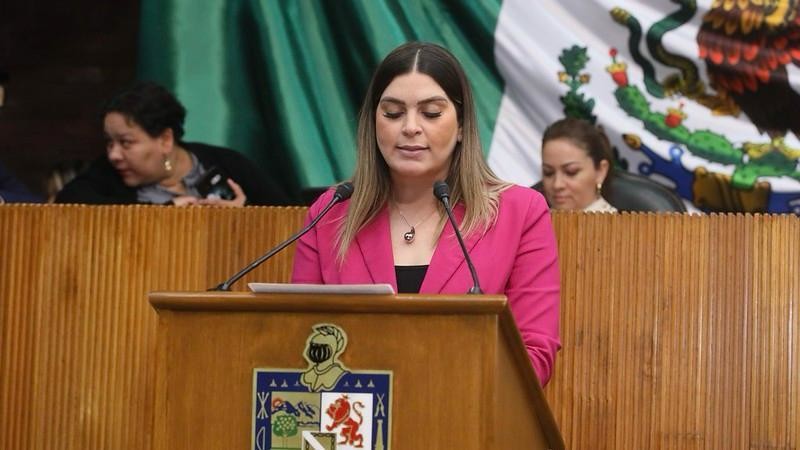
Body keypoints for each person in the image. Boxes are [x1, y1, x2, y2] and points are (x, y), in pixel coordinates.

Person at [291, 42, 560, 386]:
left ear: (462, 126)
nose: (410, 127)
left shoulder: (520, 213)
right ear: (374, 124)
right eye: (392, 113)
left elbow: (533, 357)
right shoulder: (330, 214)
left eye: (431, 113)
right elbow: (300, 341)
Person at [55, 82, 288, 206]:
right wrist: (161, 212)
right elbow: (68, 204)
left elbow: (293, 221)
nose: (114, 155)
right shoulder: (107, 175)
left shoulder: (229, 164)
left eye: (126, 143)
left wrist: (243, 218)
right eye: (109, 143)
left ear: (165, 139)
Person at [540, 117, 617, 212]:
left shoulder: (622, 226)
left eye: (571, 172)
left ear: (601, 171)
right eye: (548, 173)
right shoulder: (530, 223)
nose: (557, 185)